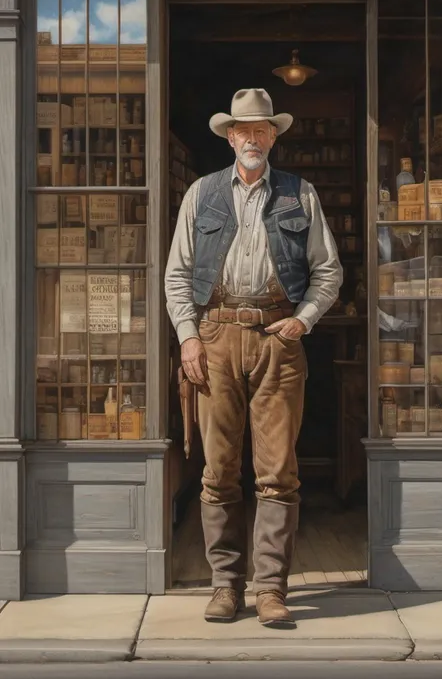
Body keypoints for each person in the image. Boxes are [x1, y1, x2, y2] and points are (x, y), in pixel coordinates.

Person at [165, 88, 343, 628]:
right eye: (244, 130)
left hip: (277, 340)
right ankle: (225, 586)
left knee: (277, 472)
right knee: (218, 470)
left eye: (262, 130)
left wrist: (304, 319)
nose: (253, 138)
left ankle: (270, 590)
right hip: (215, 336)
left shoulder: (299, 192)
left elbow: (328, 272)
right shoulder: (201, 193)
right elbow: (177, 275)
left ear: (273, 137)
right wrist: (189, 337)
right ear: (229, 136)